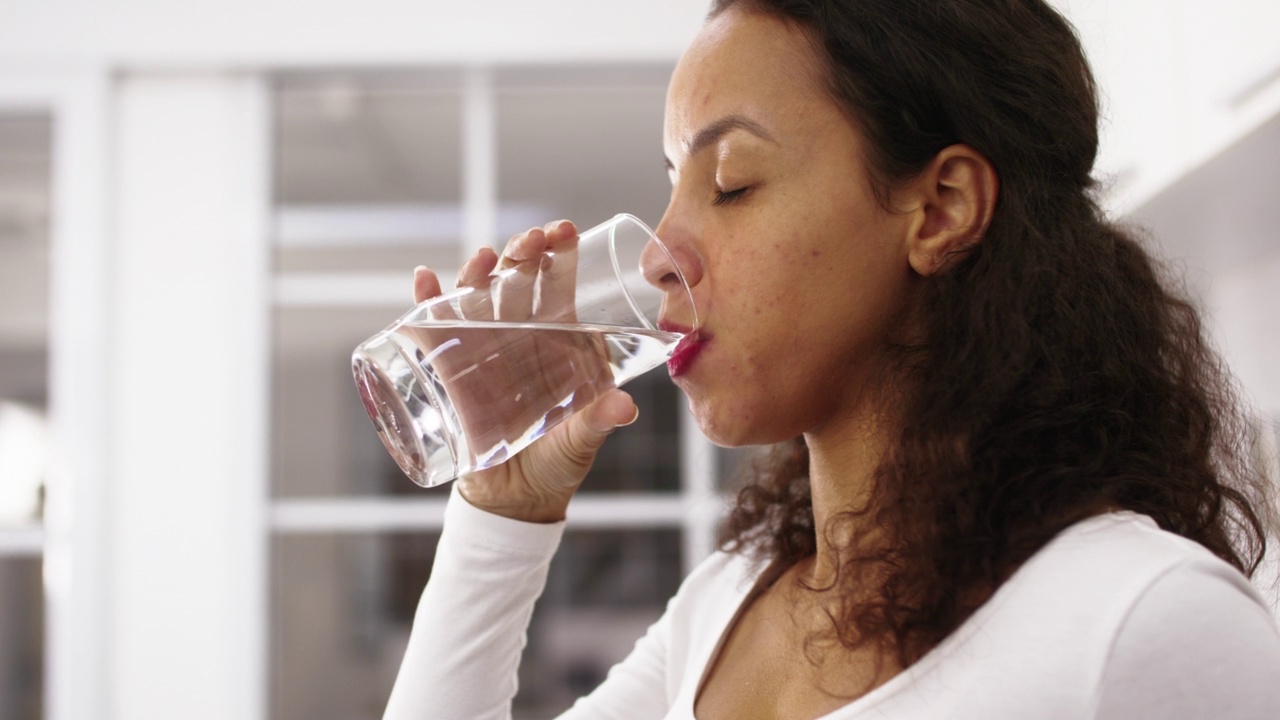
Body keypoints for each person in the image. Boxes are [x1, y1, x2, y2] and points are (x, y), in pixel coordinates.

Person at [383, 1, 1280, 718]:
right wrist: (502, 516)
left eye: (731, 182)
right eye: (674, 184)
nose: (659, 250)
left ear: (940, 210)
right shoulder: (725, 603)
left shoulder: (1139, 623)